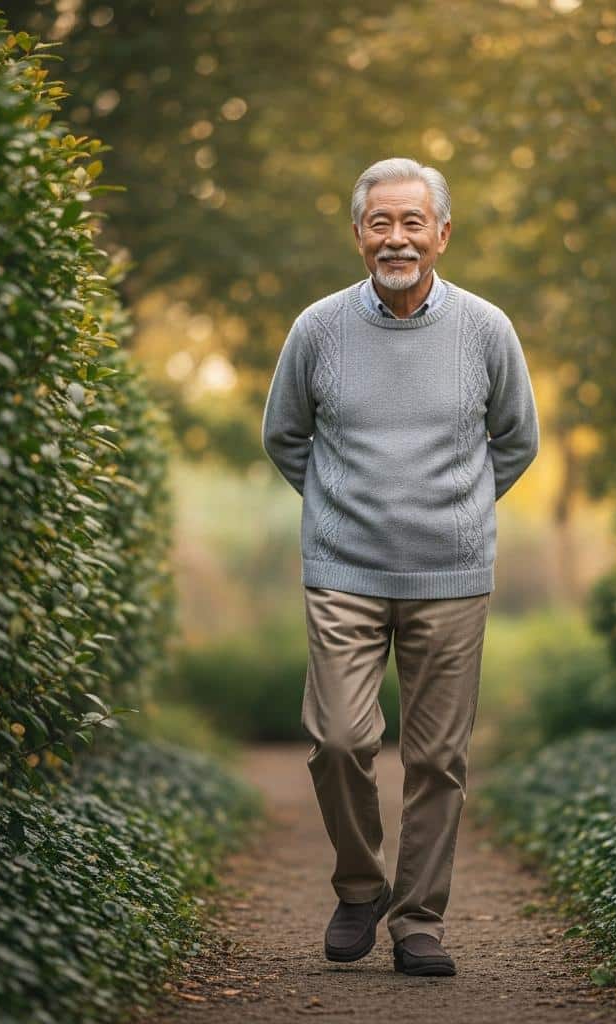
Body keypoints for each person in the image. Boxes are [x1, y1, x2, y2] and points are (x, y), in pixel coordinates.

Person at [261, 156, 539, 977]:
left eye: (413, 222)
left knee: (437, 760)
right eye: (380, 223)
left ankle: (418, 921)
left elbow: (517, 439)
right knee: (341, 741)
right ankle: (358, 887)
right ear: (357, 234)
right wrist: (336, 504)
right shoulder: (317, 329)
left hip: (451, 576)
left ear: (443, 233)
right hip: (343, 569)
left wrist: (461, 510)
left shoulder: (486, 328)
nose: (396, 239)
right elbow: (285, 436)